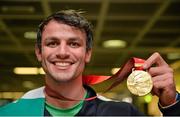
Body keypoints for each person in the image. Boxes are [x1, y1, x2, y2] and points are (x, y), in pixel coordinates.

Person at [0, 9, 180, 116]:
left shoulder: (122, 113)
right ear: (39, 52)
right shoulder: (10, 114)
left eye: (74, 43)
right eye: (52, 43)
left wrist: (172, 106)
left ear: (87, 54)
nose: (62, 52)